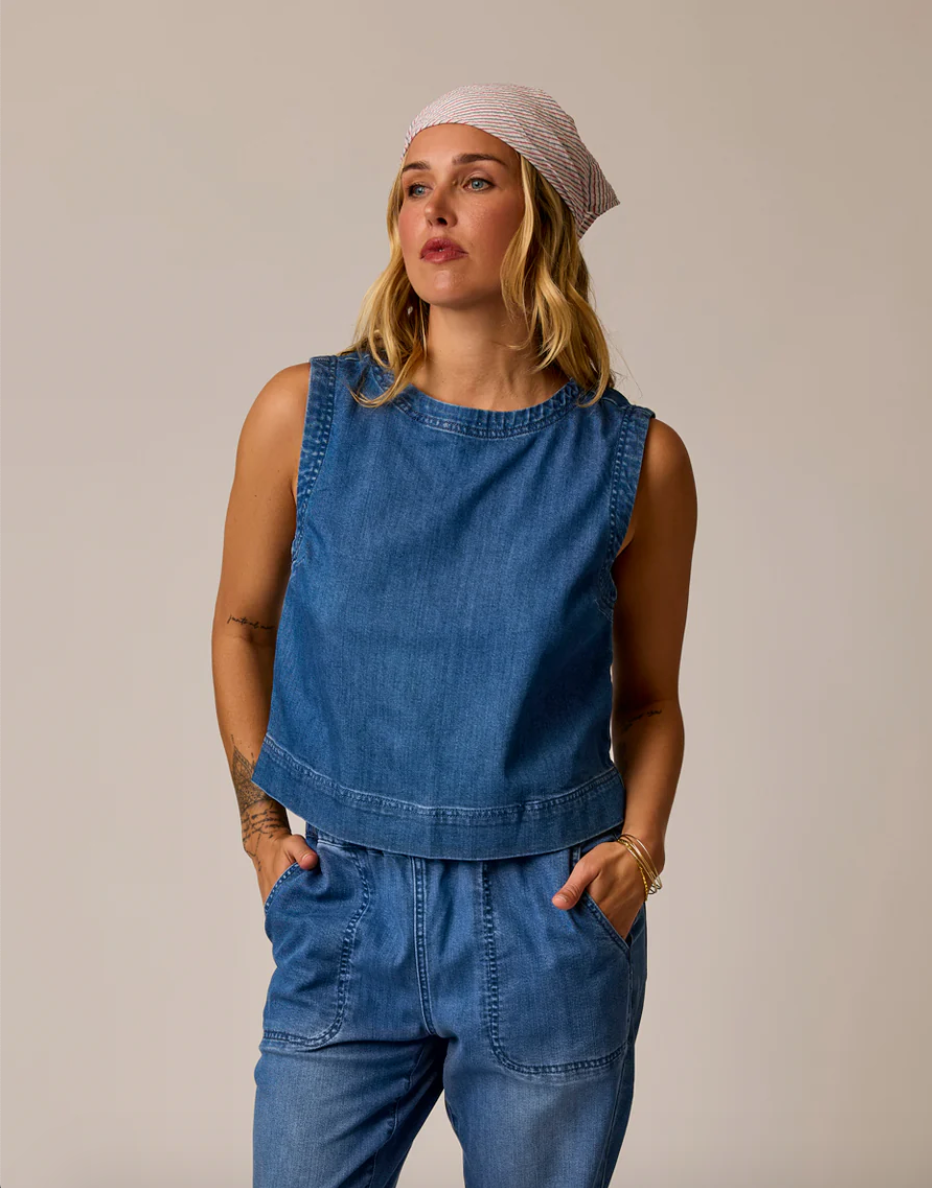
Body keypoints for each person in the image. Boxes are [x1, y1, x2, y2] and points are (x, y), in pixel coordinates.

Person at [212, 83, 697, 1187]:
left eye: (475, 181)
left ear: (543, 216)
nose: (433, 209)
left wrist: (639, 852)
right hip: (345, 903)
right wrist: (259, 827)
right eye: (413, 187)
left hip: (547, 920)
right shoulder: (307, 413)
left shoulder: (635, 462)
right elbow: (242, 623)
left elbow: (650, 701)